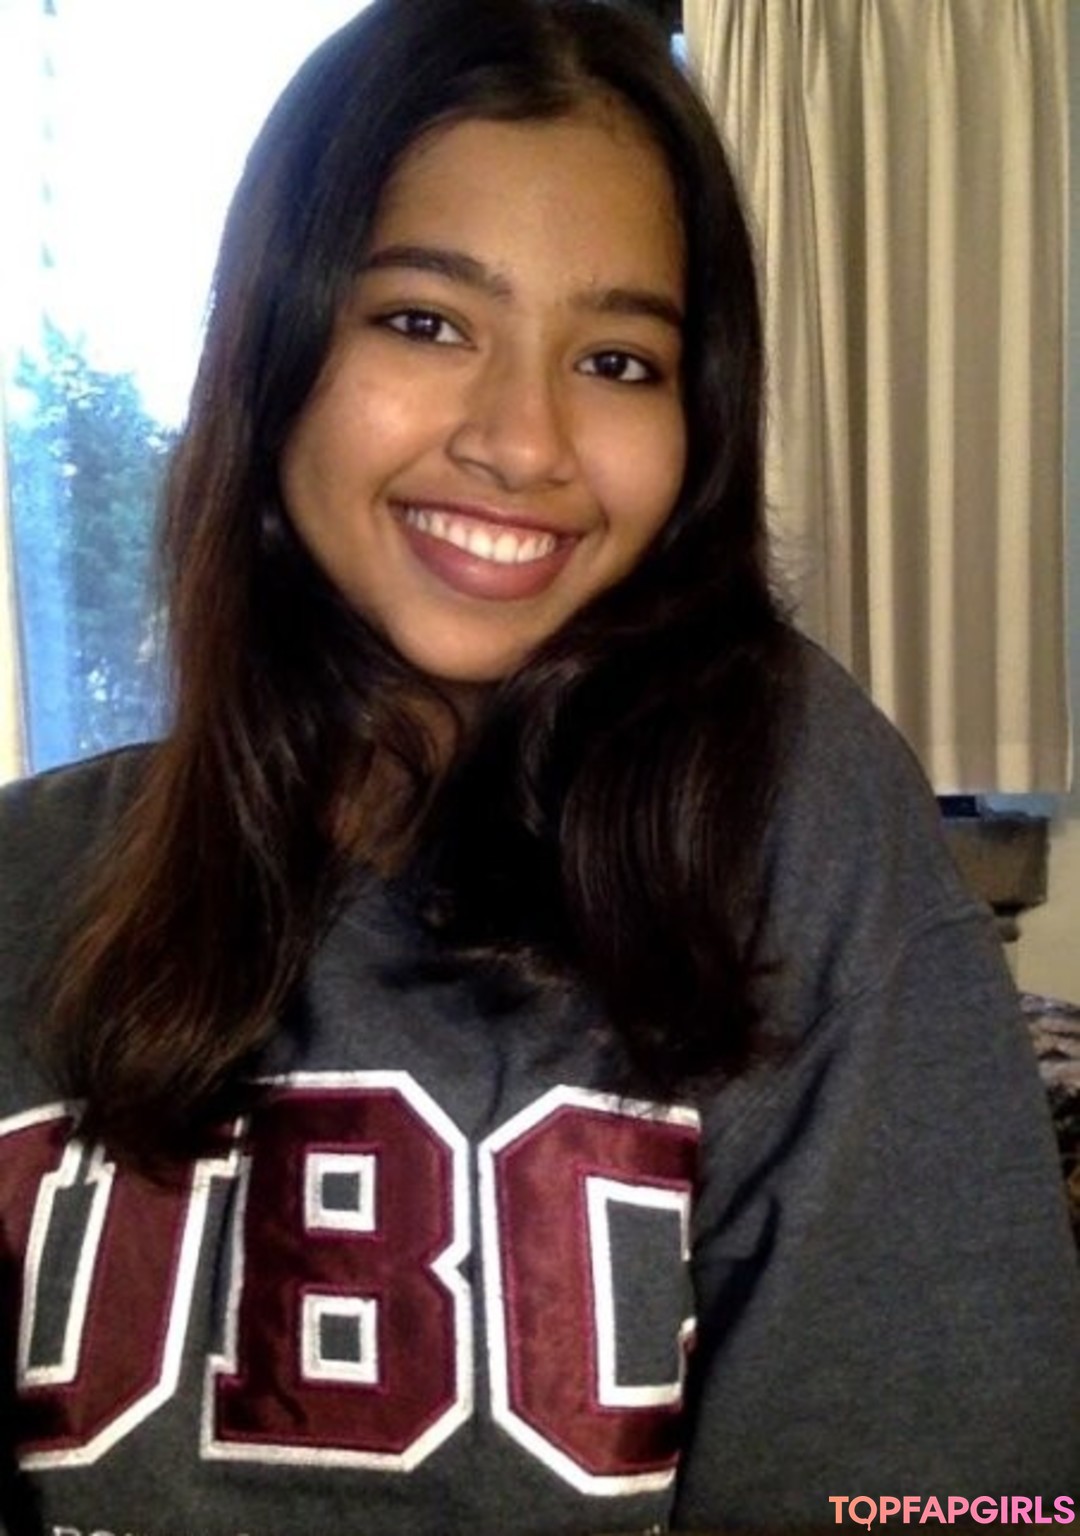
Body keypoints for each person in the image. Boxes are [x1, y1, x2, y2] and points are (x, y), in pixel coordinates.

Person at [0, 0, 1077, 1531]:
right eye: (426, 322)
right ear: (273, 343)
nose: (525, 441)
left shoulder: (782, 808)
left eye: (619, 359)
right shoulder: (27, 877)